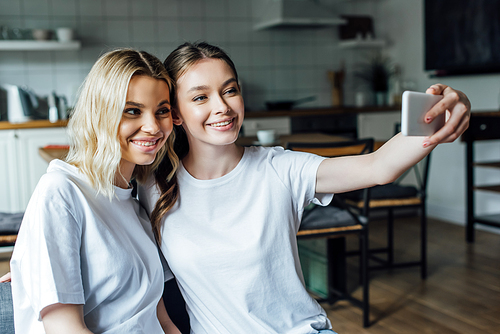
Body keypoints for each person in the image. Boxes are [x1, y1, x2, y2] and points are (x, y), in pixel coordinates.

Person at [137, 41, 471, 334]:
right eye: (200, 97)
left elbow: (379, 167)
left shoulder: (279, 169)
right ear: (175, 114)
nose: (222, 106)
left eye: (230, 90)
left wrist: (445, 113)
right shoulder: (155, 184)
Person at [8, 49, 181, 334]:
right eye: (132, 111)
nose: (153, 127)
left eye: (161, 111)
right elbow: (63, 328)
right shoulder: (61, 192)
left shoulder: (136, 205)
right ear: (101, 112)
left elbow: (160, 319)